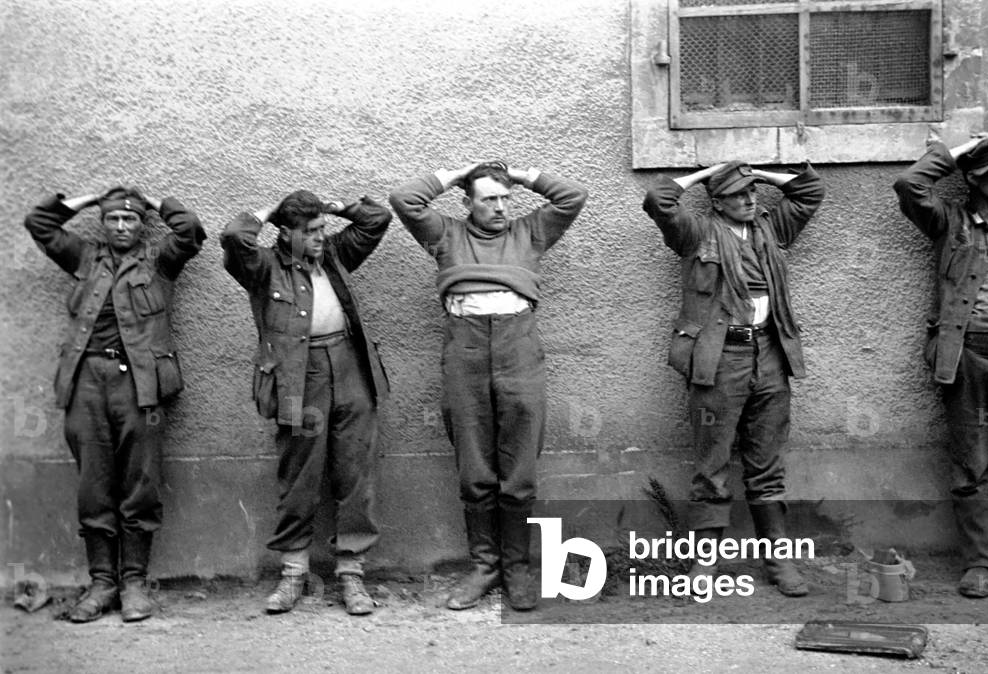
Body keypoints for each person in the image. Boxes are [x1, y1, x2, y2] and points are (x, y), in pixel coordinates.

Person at [389, 161, 587, 610]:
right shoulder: (446, 234)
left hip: (518, 348)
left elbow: (572, 195)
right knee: (475, 463)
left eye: (504, 198)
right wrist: (455, 173)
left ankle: (516, 569)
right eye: (488, 199)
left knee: (518, 465)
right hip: (466, 348)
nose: (499, 208)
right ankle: (484, 567)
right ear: (467, 202)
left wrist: (521, 175)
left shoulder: (529, 232)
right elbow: (404, 199)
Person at [641, 160, 825, 596]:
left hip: (770, 353)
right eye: (738, 194)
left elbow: (810, 192)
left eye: (752, 193)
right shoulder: (696, 233)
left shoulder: (771, 229)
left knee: (766, 465)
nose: (749, 200)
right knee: (713, 466)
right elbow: (658, 200)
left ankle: (779, 563)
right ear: (717, 202)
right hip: (719, 358)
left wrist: (759, 173)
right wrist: (707, 175)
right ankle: (705, 564)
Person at [24, 186, 205, 622]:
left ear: (143, 225)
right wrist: (88, 200)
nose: (122, 227)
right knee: (94, 484)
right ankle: (102, 582)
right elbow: (39, 223)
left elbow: (191, 230)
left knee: (140, 482)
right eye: (113, 220)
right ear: (102, 225)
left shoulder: (160, 259)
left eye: (130, 220)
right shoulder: (85, 257)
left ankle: (135, 583)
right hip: (85, 381)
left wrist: (156, 200)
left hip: (140, 384)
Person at [221, 190, 390, 615]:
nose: (320, 238)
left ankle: (352, 575)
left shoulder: (334, 253)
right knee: (300, 474)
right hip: (299, 376)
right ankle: (294, 573)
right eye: (310, 232)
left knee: (355, 471)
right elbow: (234, 236)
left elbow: (376, 219)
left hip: (351, 368)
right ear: (286, 234)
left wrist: (333, 209)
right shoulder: (262, 267)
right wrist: (269, 211)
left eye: (322, 230)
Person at [894, 133, 988, 598]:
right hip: (969, 354)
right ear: (974, 178)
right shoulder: (949, 219)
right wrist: (960, 150)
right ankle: (981, 563)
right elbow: (910, 185)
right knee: (973, 464)